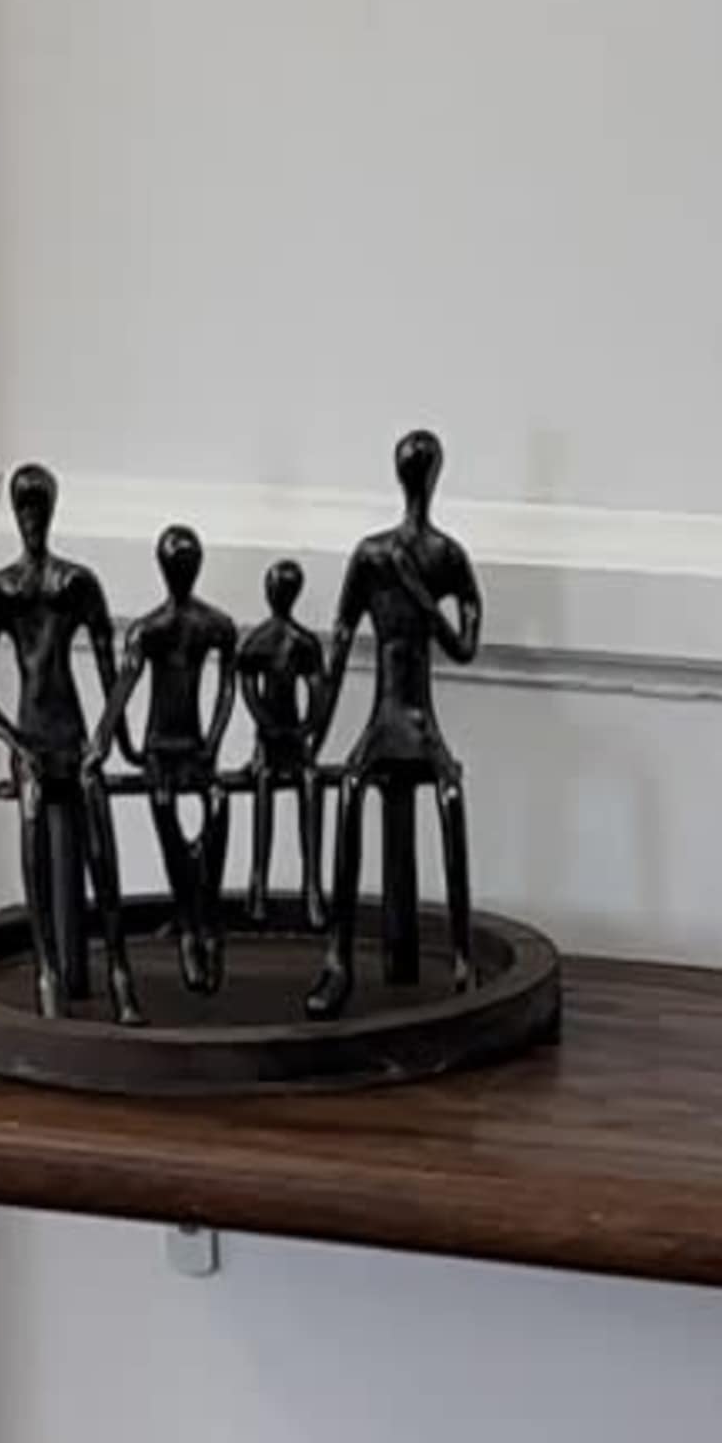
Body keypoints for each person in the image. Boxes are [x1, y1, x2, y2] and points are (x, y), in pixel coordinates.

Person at [312, 430, 484, 1015]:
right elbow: (340, 637)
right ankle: (337, 960)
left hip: (420, 719)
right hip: (383, 716)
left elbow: (464, 646)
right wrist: (317, 726)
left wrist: (423, 600)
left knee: (450, 798)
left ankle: (462, 959)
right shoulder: (370, 554)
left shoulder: (445, 556)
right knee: (350, 791)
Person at [0, 461, 135, 1021]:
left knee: (99, 841)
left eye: (40, 507)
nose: (33, 519)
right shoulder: (0, 593)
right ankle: (47, 968)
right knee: (35, 825)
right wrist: (13, 742)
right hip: (31, 736)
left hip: (73, 732)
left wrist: (110, 740)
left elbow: (114, 676)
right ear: (15, 515)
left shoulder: (77, 585)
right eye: (24, 508)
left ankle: (118, 969)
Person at [112, 524, 242, 995]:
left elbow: (230, 687)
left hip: (193, 748)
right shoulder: (149, 630)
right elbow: (122, 692)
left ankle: (209, 922)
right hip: (160, 750)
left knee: (220, 807)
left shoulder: (216, 626)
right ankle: (190, 926)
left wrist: (213, 739)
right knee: (166, 814)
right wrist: (117, 746)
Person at [233, 556, 331, 937]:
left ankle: (312, 886)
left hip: (292, 739)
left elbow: (317, 691)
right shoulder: (256, 642)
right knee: (263, 787)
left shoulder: (303, 643)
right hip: (268, 743)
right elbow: (248, 692)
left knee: (310, 784)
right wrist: (268, 726)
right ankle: (258, 884)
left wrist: (303, 729)